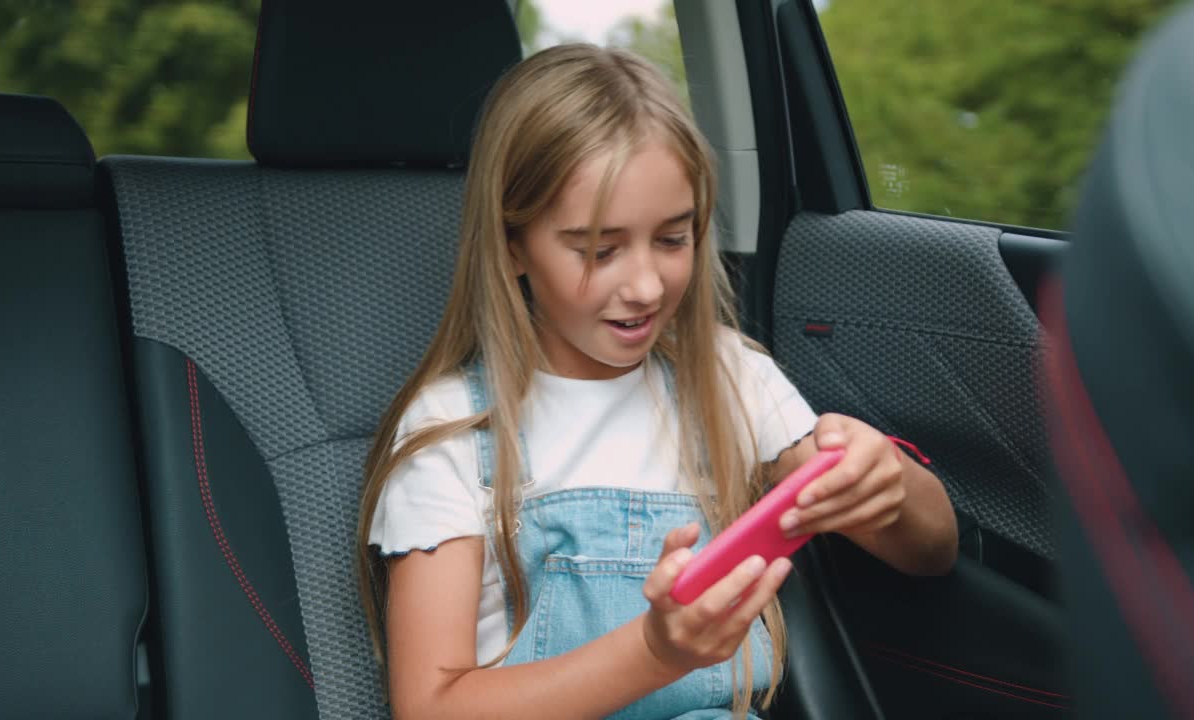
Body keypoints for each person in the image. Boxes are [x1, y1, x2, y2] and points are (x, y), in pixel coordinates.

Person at [357, 43, 957, 720]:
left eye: (673, 240)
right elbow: (428, 708)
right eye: (599, 251)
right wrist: (654, 653)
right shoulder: (457, 430)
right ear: (513, 244)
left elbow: (931, 551)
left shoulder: (729, 379)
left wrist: (889, 486)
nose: (645, 286)